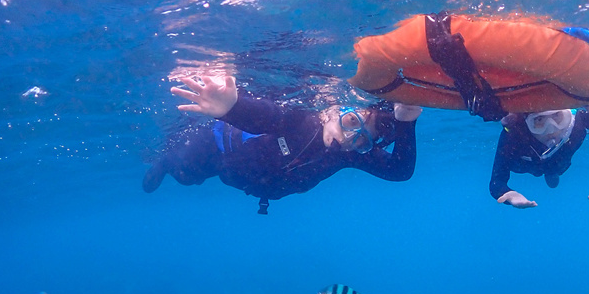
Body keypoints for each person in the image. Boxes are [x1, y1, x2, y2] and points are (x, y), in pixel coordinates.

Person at [143, 75, 422, 214]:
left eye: (361, 140)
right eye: (350, 123)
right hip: (216, 148)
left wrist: (407, 122)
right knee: (185, 176)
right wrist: (231, 106)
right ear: (332, 110)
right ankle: (165, 161)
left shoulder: (346, 155)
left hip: (245, 179)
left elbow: (399, 171)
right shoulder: (301, 120)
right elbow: (265, 117)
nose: (349, 138)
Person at [490, 101, 589, 208]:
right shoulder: (514, 134)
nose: (551, 128)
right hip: (527, 166)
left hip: (559, 165)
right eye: (539, 120)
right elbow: (497, 181)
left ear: (569, 114)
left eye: (558, 116)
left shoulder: (578, 121)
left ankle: (552, 175)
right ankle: (551, 174)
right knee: (548, 173)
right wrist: (509, 195)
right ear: (526, 123)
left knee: (554, 174)